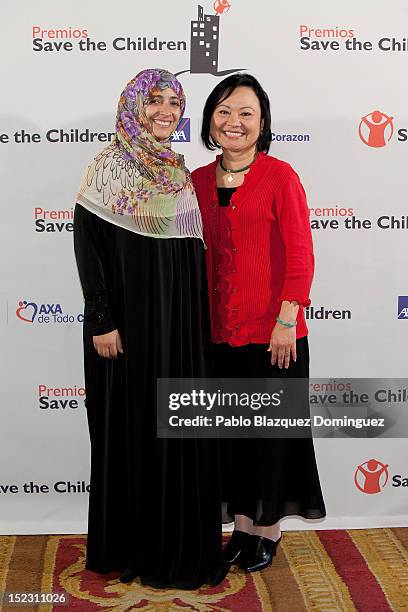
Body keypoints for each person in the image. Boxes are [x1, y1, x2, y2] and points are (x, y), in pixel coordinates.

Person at [73, 68, 225, 589]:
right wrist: (101, 318)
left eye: (174, 102)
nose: (165, 111)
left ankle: (175, 544)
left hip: (177, 329)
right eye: (155, 100)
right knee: (131, 430)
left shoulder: (179, 173)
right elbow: (88, 250)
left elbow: (185, 254)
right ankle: (133, 547)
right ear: (133, 105)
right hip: (126, 331)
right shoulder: (108, 167)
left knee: (175, 428)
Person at [191, 73, 326, 573]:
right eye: (224, 111)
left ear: (262, 122)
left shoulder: (281, 176)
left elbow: (300, 255)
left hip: (274, 336)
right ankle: (242, 529)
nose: (234, 122)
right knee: (233, 439)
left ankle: (267, 531)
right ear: (209, 120)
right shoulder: (197, 182)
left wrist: (288, 319)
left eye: (246, 113)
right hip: (218, 336)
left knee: (272, 438)